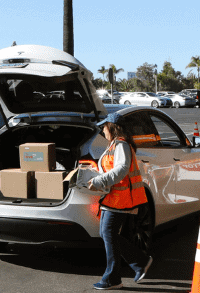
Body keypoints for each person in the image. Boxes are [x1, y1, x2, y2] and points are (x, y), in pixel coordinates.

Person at [85, 113, 153, 290]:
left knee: (108, 233)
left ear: (112, 127)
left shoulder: (121, 145)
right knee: (108, 234)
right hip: (113, 199)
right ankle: (140, 262)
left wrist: (100, 181)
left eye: (104, 127)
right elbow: (111, 169)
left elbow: (121, 169)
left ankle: (113, 278)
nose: (102, 130)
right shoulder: (114, 145)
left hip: (121, 200)